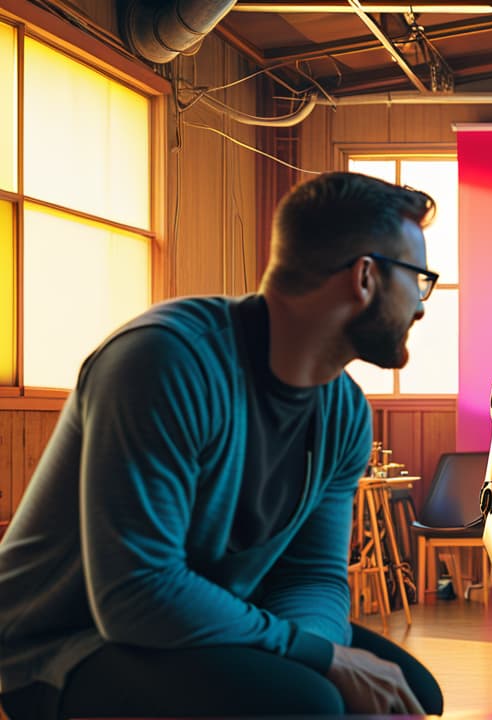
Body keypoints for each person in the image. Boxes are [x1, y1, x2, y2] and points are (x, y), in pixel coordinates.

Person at [0, 172, 444, 720]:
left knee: (411, 696)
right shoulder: (164, 361)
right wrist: (318, 661)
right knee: (307, 704)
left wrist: (318, 653)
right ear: (365, 277)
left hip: (205, 617)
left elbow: (312, 575)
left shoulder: (345, 412)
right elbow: (136, 594)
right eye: (418, 280)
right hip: (63, 643)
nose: (422, 307)